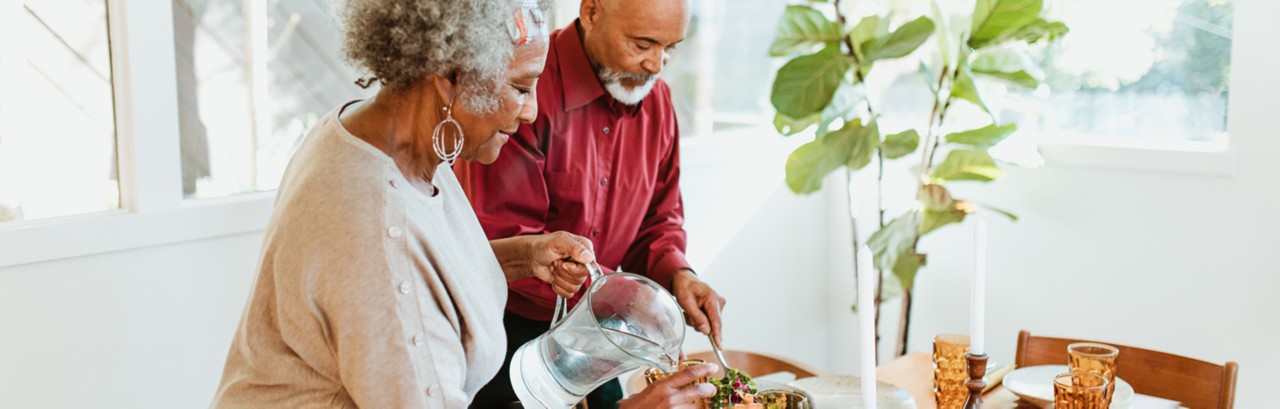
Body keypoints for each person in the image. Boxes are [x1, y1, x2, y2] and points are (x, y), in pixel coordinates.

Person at [211, 0, 717, 407]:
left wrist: (524, 255)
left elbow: (431, 263)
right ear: (450, 76)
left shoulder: (388, 141)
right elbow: (398, 271)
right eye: (520, 88)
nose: (531, 111)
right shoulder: (374, 227)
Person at [458, 0, 727, 407]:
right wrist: (617, 301)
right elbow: (500, 234)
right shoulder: (523, 87)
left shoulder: (658, 103)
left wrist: (678, 275)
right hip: (506, 333)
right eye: (643, 44)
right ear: (591, 12)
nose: (657, 64)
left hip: (601, 331)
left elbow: (659, 222)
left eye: (671, 48)